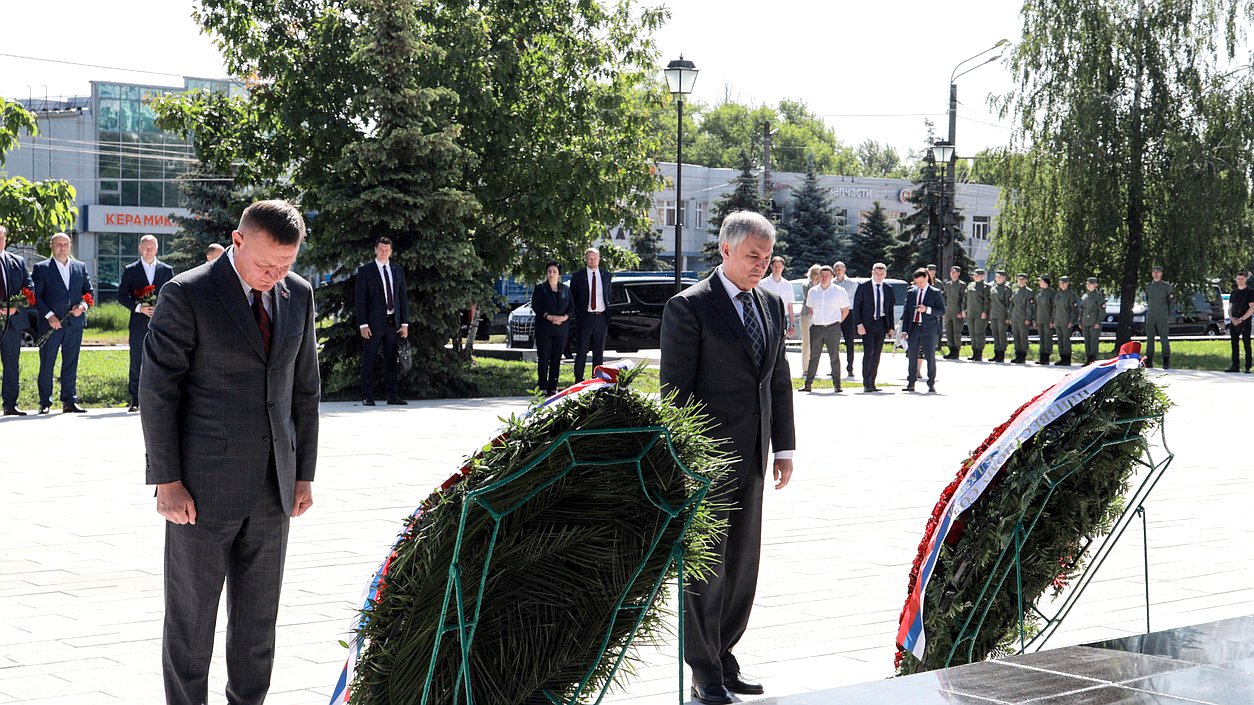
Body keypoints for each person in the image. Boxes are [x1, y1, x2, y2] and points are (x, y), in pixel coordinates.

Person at [141, 200, 319, 705]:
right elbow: (158, 392)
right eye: (266, 264)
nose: (275, 275)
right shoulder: (188, 293)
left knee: (257, 628)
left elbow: (304, 390)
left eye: (286, 265)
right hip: (201, 491)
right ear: (237, 241)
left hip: (272, 490)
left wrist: (302, 472)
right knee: (191, 625)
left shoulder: (298, 295)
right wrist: (167, 481)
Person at [660, 210, 794, 705]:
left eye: (766, 257)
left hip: (755, 460)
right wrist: (683, 462)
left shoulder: (773, 307)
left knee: (741, 568)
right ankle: (704, 672)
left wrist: (784, 447)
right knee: (705, 571)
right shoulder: (689, 307)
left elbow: (778, 382)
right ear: (725, 251)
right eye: (752, 255)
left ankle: (725, 654)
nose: (761, 265)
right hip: (705, 463)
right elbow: (674, 394)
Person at [32, 232, 92, 414]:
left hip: (74, 323)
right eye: (58, 244)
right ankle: (45, 402)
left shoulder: (80, 267)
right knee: (47, 363)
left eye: (65, 244)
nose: (62, 248)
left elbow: (88, 293)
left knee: (71, 362)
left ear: (70, 246)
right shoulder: (41, 268)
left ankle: (69, 401)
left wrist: (82, 306)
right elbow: (36, 297)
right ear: (52, 246)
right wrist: (50, 316)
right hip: (51, 324)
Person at [117, 235, 174, 412]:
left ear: (157, 249)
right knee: (136, 360)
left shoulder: (166, 270)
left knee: (163, 360)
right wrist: (138, 307)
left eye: (152, 247)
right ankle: (135, 399)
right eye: (146, 247)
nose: (149, 250)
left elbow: (173, 294)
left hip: (161, 324)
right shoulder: (131, 270)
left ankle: (160, 398)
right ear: (140, 249)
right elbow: (121, 296)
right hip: (138, 323)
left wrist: (162, 308)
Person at [355, 237, 409, 406]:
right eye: (381, 249)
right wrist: (363, 324)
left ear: (391, 252)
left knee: (391, 360)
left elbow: (402, 298)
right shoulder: (365, 271)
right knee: (369, 359)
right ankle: (367, 396)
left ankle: (392, 395)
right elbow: (360, 299)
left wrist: (405, 323)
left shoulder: (397, 270)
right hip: (372, 324)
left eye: (387, 250)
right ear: (375, 250)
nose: (384, 252)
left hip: (393, 322)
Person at [1, 224, 35, 415]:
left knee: (11, 364)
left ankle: (10, 404)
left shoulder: (17, 261)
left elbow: (29, 287)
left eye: (1, 237)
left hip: (12, 323)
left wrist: (16, 306)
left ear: (5, 239)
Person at [799, 265, 850, 393]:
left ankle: (837, 385)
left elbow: (845, 310)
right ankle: (808, 384)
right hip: (816, 327)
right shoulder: (813, 291)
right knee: (813, 357)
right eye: (821, 275)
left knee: (834, 356)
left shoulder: (839, 291)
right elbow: (810, 309)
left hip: (832, 327)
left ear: (832, 276)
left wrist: (837, 321)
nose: (824, 277)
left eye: (827, 275)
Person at [851, 262, 896, 393]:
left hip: (881, 323)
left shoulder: (888, 288)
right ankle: (866, 382)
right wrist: (859, 324)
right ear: (872, 273)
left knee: (877, 354)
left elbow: (890, 309)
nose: (879, 276)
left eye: (882, 274)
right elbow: (856, 307)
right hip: (867, 324)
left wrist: (891, 327)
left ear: (885, 274)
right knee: (869, 352)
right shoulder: (863, 287)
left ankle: (872, 382)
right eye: (877, 273)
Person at [570, 247, 613, 382]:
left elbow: (608, 295)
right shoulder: (578, 276)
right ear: (585, 259)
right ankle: (578, 379)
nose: (592, 260)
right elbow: (573, 298)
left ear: (599, 259)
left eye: (594, 258)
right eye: (589, 258)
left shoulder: (606, 275)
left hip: (601, 317)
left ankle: (597, 379)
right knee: (582, 350)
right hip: (585, 317)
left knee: (599, 351)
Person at [531, 261, 573, 394]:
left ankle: (553, 387)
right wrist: (548, 316)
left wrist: (565, 317)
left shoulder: (565, 289)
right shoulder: (540, 288)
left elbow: (572, 306)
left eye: (554, 271)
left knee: (556, 358)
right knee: (543, 358)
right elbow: (536, 306)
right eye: (549, 271)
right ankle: (543, 386)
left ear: (559, 274)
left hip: (561, 329)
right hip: (544, 328)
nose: (551, 274)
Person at [900, 268, 945, 393]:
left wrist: (927, 310)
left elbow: (941, 311)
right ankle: (911, 383)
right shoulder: (911, 292)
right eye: (917, 283)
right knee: (912, 356)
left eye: (921, 282)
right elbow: (907, 312)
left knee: (930, 356)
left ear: (926, 278)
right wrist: (905, 330)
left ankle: (931, 383)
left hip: (929, 329)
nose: (919, 285)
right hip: (914, 328)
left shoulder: (935, 292)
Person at [833, 261, 859, 377]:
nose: (838, 272)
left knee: (849, 342)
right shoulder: (831, 283)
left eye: (840, 269)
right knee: (833, 343)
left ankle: (850, 367)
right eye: (836, 269)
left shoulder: (853, 284)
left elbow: (857, 301)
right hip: (834, 314)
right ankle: (834, 367)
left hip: (849, 314)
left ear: (844, 270)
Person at [1145, 265, 1174, 368]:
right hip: (1151, 316)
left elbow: (1171, 302)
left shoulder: (1166, 287)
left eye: (1158, 272)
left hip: (1162, 316)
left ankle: (1166, 360)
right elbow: (1147, 299)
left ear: (1161, 273)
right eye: (1154, 272)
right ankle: (1149, 360)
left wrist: (1166, 314)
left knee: (1164, 339)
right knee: (1149, 339)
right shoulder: (1148, 286)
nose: (1156, 274)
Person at [759, 255, 796, 337]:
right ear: (771, 266)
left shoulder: (787, 285)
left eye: (779, 266)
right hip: (767, 318)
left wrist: (792, 325)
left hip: (782, 319)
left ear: (782, 267)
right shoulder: (762, 284)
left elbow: (790, 306)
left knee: (781, 343)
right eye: (775, 266)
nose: (777, 269)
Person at [1227, 271, 1253, 373]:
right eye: (1238, 279)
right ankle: (1235, 366)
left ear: (1246, 279)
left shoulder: (1250, 292)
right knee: (1234, 344)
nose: (1240, 281)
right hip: (1234, 321)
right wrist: (1232, 318)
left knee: (1246, 343)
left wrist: (1241, 319)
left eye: (1242, 279)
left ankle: (1248, 366)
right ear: (1236, 279)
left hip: (1245, 321)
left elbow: (1252, 308)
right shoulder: (1233, 293)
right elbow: (1230, 308)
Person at [1052, 276, 1080, 366]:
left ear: (1067, 283)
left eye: (1064, 283)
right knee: (1060, 340)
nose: (1062, 285)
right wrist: (1054, 320)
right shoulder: (1057, 295)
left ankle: (1067, 359)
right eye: (1060, 283)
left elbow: (1074, 310)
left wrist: (1072, 321)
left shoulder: (1071, 295)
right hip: (1058, 320)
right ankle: (1062, 358)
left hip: (1066, 321)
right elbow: (1054, 309)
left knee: (1066, 340)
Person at [964, 269, 991, 361]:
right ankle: (974, 352)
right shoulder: (970, 285)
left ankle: (979, 353)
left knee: (979, 333)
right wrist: (964, 309)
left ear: (983, 276)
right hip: (971, 313)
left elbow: (987, 301)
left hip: (980, 314)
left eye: (978, 275)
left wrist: (985, 311)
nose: (976, 277)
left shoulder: (986, 287)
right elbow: (965, 298)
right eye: (975, 275)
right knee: (972, 333)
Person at [1080, 277, 1107, 364]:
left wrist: (1098, 322)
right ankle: (1088, 359)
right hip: (1085, 322)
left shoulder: (1098, 296)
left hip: (1094, 322)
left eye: (1091, 284)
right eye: (1087, 284)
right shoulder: (1085, 296)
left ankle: (1093, 359)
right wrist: (1080, 321)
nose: (1089, 286)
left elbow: (1102, 310)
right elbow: (1082, 310)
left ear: (1095, 285)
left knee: (1094, 340)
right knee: (1087, 340)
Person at [798, 264, 821, 366]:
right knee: (806, 342)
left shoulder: (823, 287)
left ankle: (814, 366)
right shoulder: (806, 286)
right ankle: (806, 367)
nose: (817, 276)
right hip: (806, 316)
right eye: (815, 273)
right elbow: (810, 299)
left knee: (816, 343)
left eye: (819, 274)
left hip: (819, 317)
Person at [988, 270, 1012, 363]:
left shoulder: (1007, 289)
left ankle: (1001, 354)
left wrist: (1008, 317)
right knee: (995, 334)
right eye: (997, 277)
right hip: (994, 314)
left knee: (1002, 334)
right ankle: (996, 353)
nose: (998, 279)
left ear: (1004, 278)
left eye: (1000, 277)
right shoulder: (993, 288)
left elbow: (1009, 304)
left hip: (1002, 314)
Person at [942, 266, 966, 359]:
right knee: (949, 331)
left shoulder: (962, 285)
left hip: (957, 311)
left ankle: (956, 351)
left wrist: (962, 311)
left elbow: (964, 299)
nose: (952, 274)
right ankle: (951, 350)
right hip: (949, 311)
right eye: (951, 272)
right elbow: (945, 297)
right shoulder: (948, 284)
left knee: (957, 332)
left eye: (954, 272)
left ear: (959, 273)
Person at [1009, 273, 1033, 364]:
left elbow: (1029, 307)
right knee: (1016, 337)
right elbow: (1012, 306)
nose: (1021, 281)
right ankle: (1017, 355)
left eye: (1023, 279)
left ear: (1026, 280)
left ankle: (1023, 356)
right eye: (1019, 279)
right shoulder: (1015, 291)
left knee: (1023, 337)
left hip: (1023, 318)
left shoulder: (1028, 292)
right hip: (1015, 317)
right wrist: (1010, 317)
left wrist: (1028, 318)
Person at [1033, 276, 1055, 365]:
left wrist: (1052, 320)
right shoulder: (1039, 293)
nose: (1039, 283)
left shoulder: (1051, 294)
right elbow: (1036, 307)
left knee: (1047, 338)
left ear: (1046, 282)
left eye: (1041, 281)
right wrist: (1035, 319)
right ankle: (1042, 357)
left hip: (1047, 320)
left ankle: (1046, 357)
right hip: (1040, 319)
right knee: (1041, 338)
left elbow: (1054, 308)